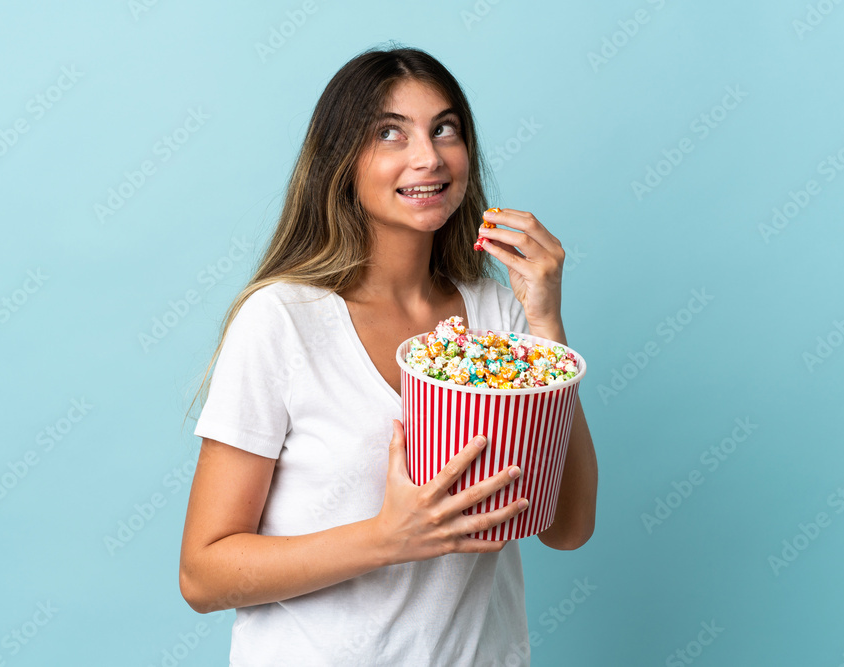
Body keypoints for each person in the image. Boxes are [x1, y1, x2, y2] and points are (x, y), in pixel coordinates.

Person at [178, 45, 598, 666]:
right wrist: (386, 538)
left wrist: (545, 323)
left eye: (444, 128)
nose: (428, 157)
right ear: (341, 162)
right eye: (389, 133)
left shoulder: (496, 318)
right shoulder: (282, 321)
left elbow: (567, 529)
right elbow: (204, 576)